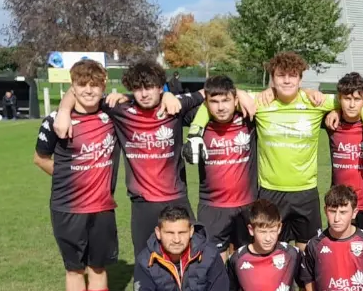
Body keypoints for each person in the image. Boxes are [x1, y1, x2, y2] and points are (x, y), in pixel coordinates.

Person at [189, 52, 363, 251]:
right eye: (281, 75)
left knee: (309, 253)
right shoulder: (260, 102)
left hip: (306, 192)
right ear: (273, 78)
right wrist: (237, 94)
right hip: (271, 192)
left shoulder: (315, 101)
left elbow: (361, 101)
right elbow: (214, 100)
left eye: (293, 75)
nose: (287, 80)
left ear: (300, 78)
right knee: (270, 253)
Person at [53, 60, 230, 258]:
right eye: (138, 88)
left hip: (176, 197)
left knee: (191, 258)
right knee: (146, 261)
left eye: (150, 87)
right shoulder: (119, 109)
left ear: (160, 87)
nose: (144, 94)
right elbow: (80, 92)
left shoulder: (175, 106)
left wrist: (242, 95)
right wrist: (64, 110)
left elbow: (213, 92)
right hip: (142, 203)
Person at [33, 59, 119, 291]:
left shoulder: (112, 114)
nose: (88, 91)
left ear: (103, 85)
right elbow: (40, 159)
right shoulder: (55, 122)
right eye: (82, 85)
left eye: (94, 85)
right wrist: (70, 178)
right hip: (67, 208)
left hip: (102, 207)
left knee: (98, 267)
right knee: (74, 269)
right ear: (72, 86)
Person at [182, 75, 257, 261]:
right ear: (206, 103)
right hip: (212, 207)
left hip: (246, 205)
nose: (221, 107)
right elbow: (170, 104)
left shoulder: (249, 116)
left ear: (235, 100)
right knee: (213, 264)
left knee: (244, 264)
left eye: (226, 100)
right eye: (214, 102)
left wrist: (240, 92)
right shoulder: (196, 118)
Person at [325, 72, 363, 235]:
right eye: (347, 99)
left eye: (357, 99)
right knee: (340, 248)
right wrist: (335, 111)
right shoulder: (331, 122)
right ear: (339, 99)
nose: (352, 105)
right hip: (340, 204)